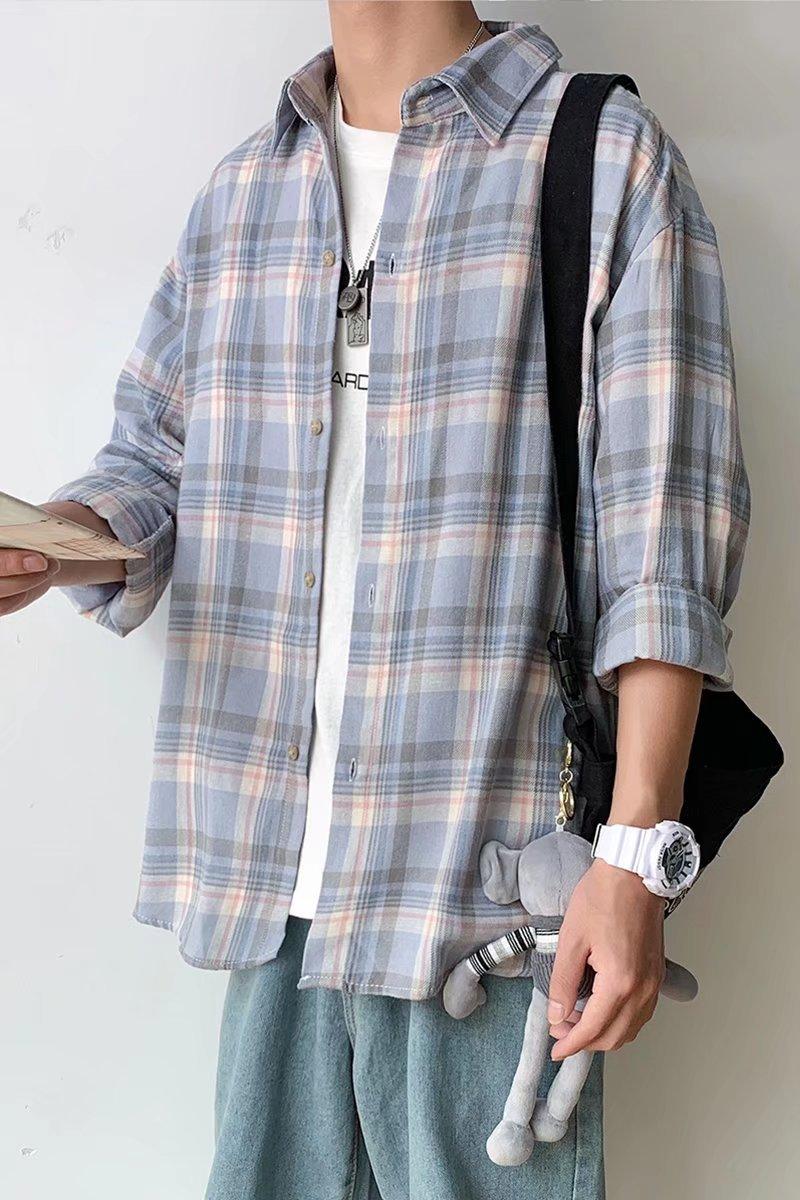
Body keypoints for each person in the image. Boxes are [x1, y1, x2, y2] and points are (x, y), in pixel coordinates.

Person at [3, 4, 749, 1197]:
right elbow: (152, 465)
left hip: (484, 901)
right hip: (272, 888)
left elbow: (664, 542)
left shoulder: (600, 158)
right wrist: (53, 547)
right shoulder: (248, 191)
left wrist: (631, 861)